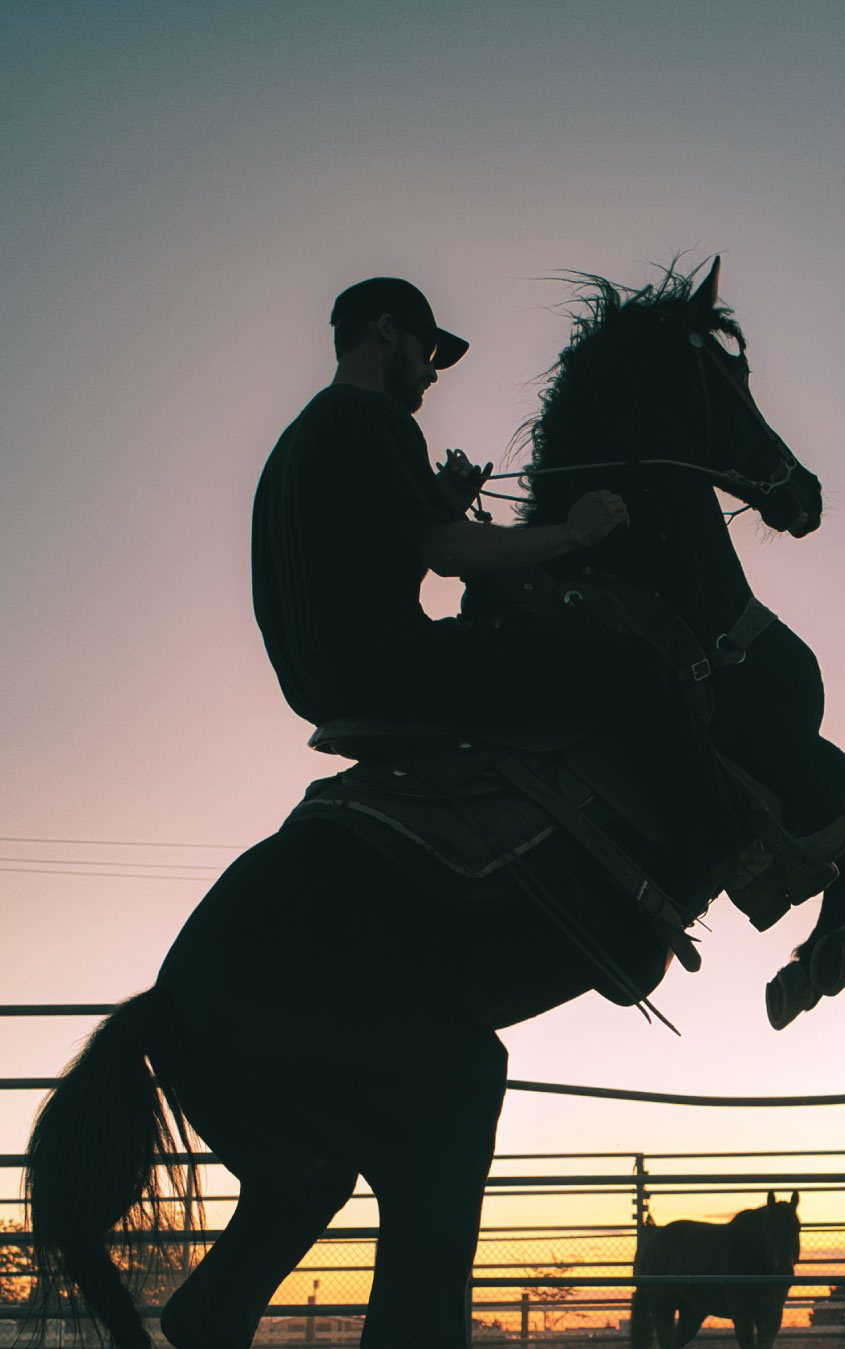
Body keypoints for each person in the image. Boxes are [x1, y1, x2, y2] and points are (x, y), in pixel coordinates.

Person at [251, 276, 746, 911]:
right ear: (386, 329)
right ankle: (731, 858)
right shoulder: (374, 416)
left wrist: (441, 502)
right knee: (632, 669)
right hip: (397, 667)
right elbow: (450, 553)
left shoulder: (290, 447)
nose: (432, 373)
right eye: (427, 350)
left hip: (322, 691)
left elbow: (363, 571)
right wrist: (574, 532)